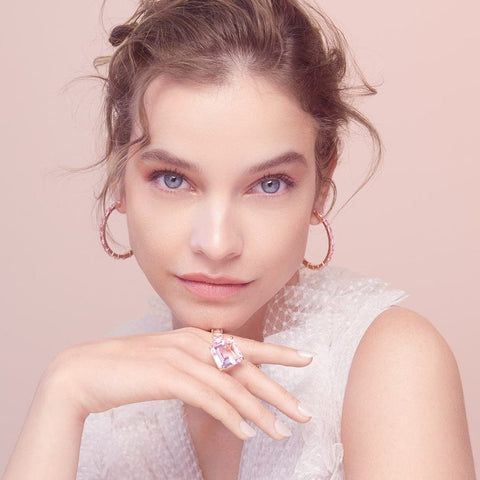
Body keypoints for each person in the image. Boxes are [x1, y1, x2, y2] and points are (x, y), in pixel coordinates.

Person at [2, 0, 476, 479]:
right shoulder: (101, 396)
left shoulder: (386, 363)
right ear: (119, 173)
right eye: (172, 179)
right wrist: (61, 394)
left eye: (268, 184)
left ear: (322, 185)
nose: (217, 243)